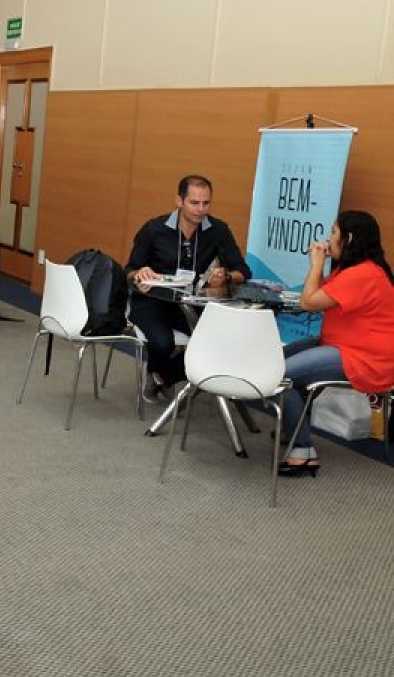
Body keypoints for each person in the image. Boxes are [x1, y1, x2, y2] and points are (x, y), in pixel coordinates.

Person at [277, 211, 394, 477]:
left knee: (278, 375)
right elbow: (320, 295)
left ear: (348, 238)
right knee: (277, 360)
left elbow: (309, 302)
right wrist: (323, 264)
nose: (329, 238)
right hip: (343, 345)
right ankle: (295, 429)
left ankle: (303, 452)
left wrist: (316, 263)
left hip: (366, 358)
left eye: (333, 232)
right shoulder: (354, 269)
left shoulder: (364, 274)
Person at [126, 175, 250, 399]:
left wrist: (226, 277)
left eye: (206, 203)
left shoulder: (218, 230)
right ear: (179, 201)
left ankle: (163, 377)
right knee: (163, 343)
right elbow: (129, 271)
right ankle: (161, 370)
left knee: (221, 342)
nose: (201, 209)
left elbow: (243, 271)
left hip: (190, 303)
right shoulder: (154, 229)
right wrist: (140, 272)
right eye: (194, 203)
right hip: (151, 301)